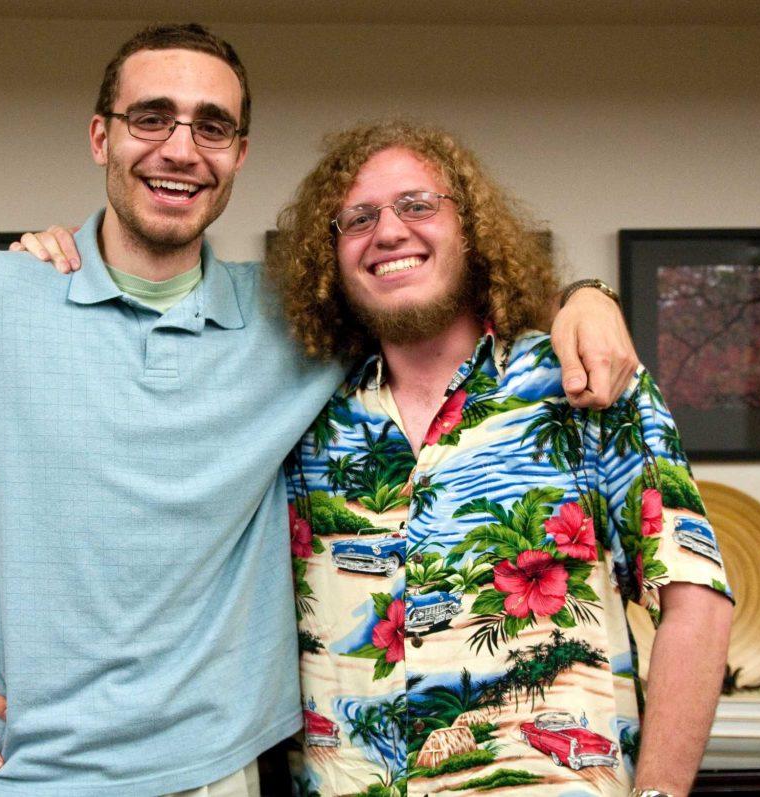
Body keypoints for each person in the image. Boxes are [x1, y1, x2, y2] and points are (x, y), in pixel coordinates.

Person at [0, 23, 635, 797]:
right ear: (101, 136)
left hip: (221, 773)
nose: (181, 147)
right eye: (152, 118)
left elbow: (425, 283)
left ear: (238, 155)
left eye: (211, 126)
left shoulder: (297, 322)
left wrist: (584, 296)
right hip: (13, 775)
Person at [263, 119, 733, 797]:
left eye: (418, 204)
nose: (388, 231)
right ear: (330, 255)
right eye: (357, 217)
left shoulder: (582, 380)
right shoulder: (306, 417)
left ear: (472, 230)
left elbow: (696, 600)